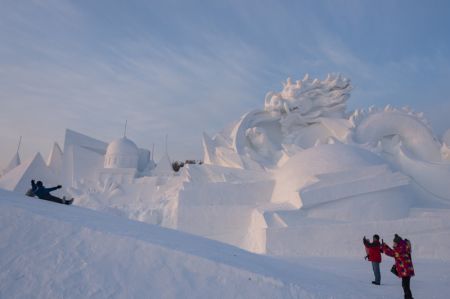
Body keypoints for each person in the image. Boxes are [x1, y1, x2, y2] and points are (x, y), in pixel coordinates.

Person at [382, 234, 415, 299]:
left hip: (406, 270)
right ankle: (408, 297)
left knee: (405, 286)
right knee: (405, 286)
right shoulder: (402, 248)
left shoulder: (400, 250)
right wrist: (385, 246)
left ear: (398, 243)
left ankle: (409, 298)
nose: (393, 244)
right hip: (406, 270)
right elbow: (392, 251)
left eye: (394, 243)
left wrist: (384, 246)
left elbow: (390, 253)